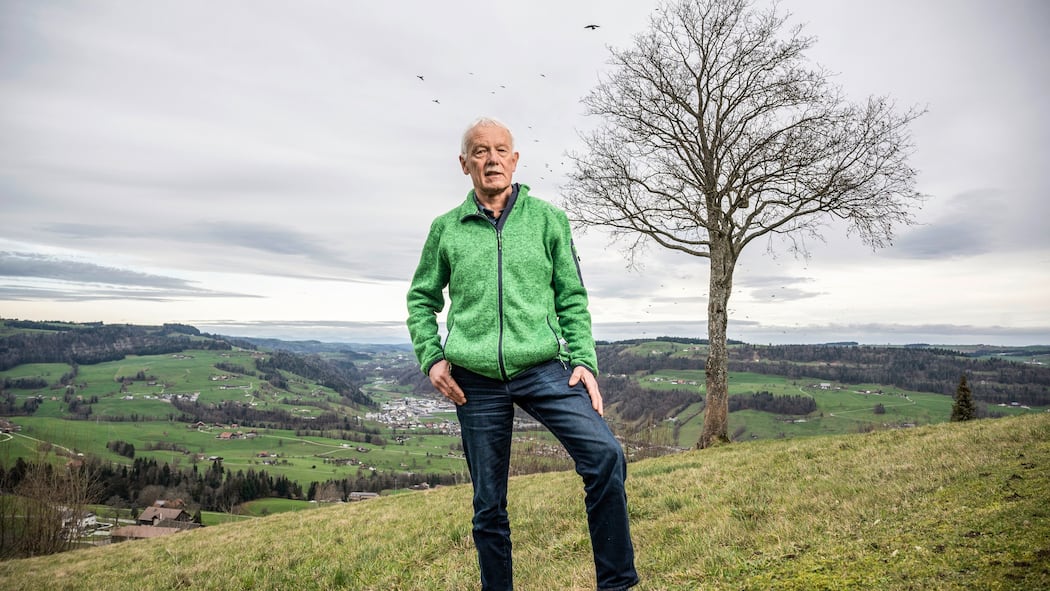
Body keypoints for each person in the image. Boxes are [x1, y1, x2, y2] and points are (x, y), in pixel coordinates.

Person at [406, 116, 639, 591]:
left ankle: (616, 584)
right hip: (474, 379)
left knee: (605, 456)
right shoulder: (446, 229)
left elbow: (571, 296)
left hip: (543, 368)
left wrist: (584, 361)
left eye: (500, 150)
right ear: (464, 163)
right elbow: (421, 299)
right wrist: (432, 357)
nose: (491, 159)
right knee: (489, 505)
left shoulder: (548, 220)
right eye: (479, 151)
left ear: (514, 160)